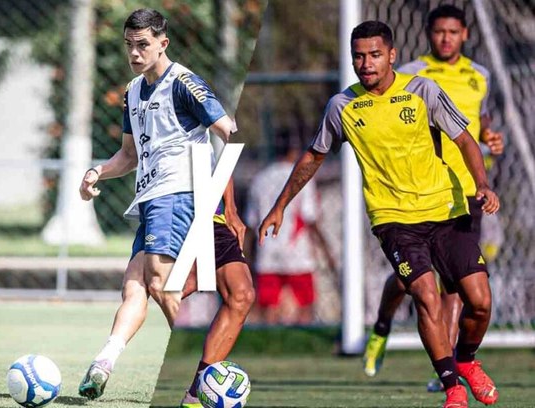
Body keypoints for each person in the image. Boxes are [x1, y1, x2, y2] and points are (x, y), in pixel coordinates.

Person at [258, 21, 500, 408]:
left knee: (480, 300)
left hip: (447, 208)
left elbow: (465, 139)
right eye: (358, 56)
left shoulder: (422, 90)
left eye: (373, 55)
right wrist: (280, 206)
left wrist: (483, 184)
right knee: (425, 295)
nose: (365, 63)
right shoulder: (343, 106)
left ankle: (467, 361)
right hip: (394, 220)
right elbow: (313, 156)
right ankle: (453, 386)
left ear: (391, 56)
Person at [77, 8, 246, 401]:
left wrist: (230, 205)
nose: (134, 53)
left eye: (143, 45)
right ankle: (104, 362)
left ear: (162, 43)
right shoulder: (133, 92)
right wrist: (97, 173)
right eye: (129, 46)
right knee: (135, 286)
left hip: (179, 192)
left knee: (159, 283)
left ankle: (205, 384)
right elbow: (128, 156)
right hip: (152, 196)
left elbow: (229, 133)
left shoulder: (185, 82)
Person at [362, 5, 504, 393]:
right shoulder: (410, 75)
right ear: (428, 33)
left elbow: (481, 119)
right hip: (417, 194)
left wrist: (491, 138)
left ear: (465, 35)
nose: (446, 38)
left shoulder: (480, 76)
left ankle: (452, 367)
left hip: (468, 190)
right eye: (439, 32)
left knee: (455, 285)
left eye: (453, 32)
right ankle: (382, 326)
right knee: (413, 283)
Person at [177, 181, 255, 408]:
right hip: (172, 207)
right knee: (174, 287)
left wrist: (230, 208)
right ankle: (110, 352)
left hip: (212, 217)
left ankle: (196, 396)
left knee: (241, 295)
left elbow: (221, 154)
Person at [245, 131, 336, 325]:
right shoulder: (302, 177)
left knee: (269, 307)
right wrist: (327, 252)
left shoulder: (259, 180)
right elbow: (310, 219)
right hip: (298, 253)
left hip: (267, 251)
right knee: (305, 305)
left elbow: (252, 225)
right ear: (295, 151)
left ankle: (272, 346)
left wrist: (247, 258)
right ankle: (302, 344)